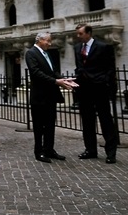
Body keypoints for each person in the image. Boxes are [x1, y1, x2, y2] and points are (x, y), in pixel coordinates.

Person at [24, 32, 78, 163]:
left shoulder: (47, 54)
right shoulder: (31, 53)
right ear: (40, 40)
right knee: (39, 126)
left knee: (50, 124)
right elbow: (36, 73)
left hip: (50, 95)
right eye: (47, 41)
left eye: (50, 41)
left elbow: (53, 72)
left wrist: (64, 80)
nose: (50, 43)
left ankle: (49, 149)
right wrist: (56, 82)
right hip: (39, 96)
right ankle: (39, 152)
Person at [73, 23, 118, 164]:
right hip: (84, 89)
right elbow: (79, 66)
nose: (78, 36)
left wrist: (106, 84)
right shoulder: (77, 48)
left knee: (105, 120)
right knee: (87, 121)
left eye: (80, 33)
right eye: (77, 33)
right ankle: (90, 150)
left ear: (89, 33)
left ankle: (111, 153)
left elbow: (110, 69)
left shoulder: (103, 47)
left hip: (99, 88)